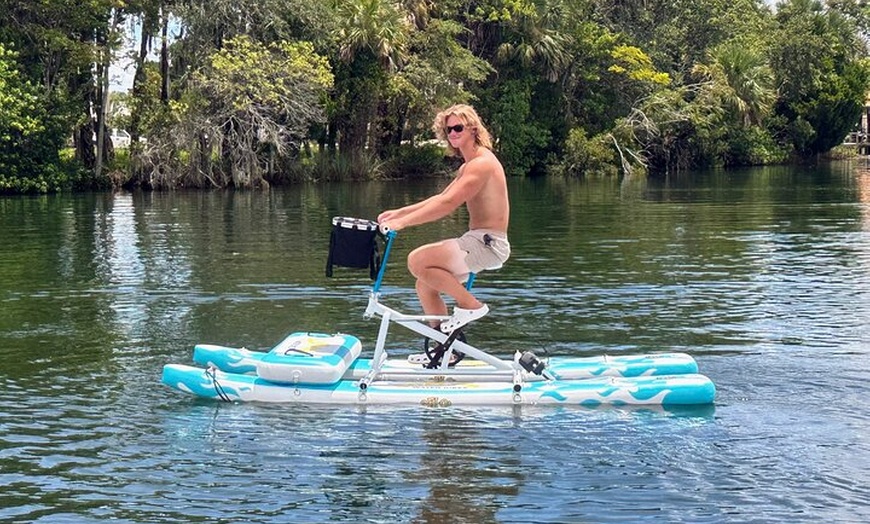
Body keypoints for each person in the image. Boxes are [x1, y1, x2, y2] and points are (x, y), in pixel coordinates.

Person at [377, 104, 510, 333]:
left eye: (458, 127)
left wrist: (402, 224)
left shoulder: (482, 164)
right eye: (449, 130)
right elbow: (440, 197)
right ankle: (444, 348)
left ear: (473, 129)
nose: (453, 134)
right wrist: (399, 213)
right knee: (425, 284)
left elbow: (448, 205)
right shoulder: (467, 166)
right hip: (478, 240)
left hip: (489, 244)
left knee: (417, 260)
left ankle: (471, 305)